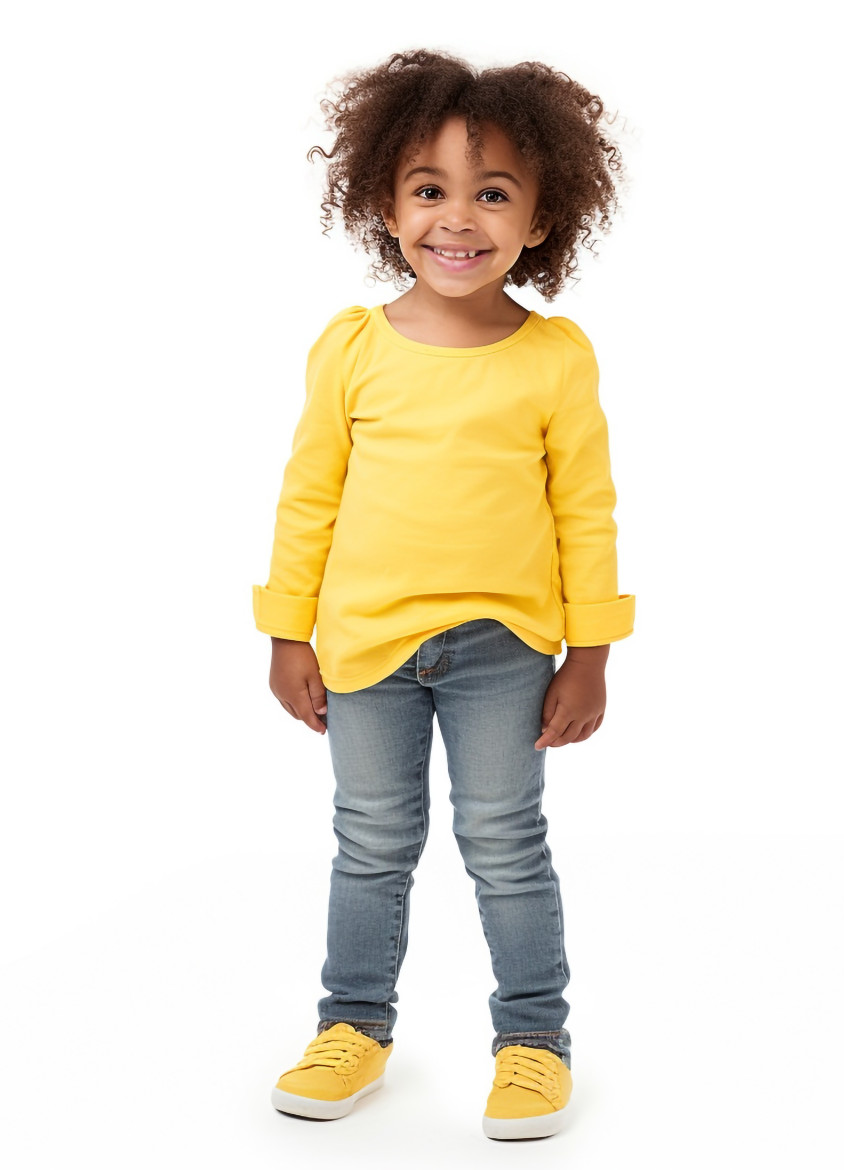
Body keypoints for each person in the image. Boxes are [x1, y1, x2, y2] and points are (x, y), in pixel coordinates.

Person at [252, 48, 635, 1140]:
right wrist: (287, 631)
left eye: (492, 193)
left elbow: (585, 514)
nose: (456, 219)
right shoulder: (352, 349)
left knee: (504, 843)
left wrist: (592, 653)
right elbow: (307, 495)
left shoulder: (552, 360)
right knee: (369, 842)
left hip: (503, 651)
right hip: (364, 646)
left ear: (541, 216)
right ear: (384, 200)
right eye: (429, 190)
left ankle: (530, 1046)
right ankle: (353, 1028)